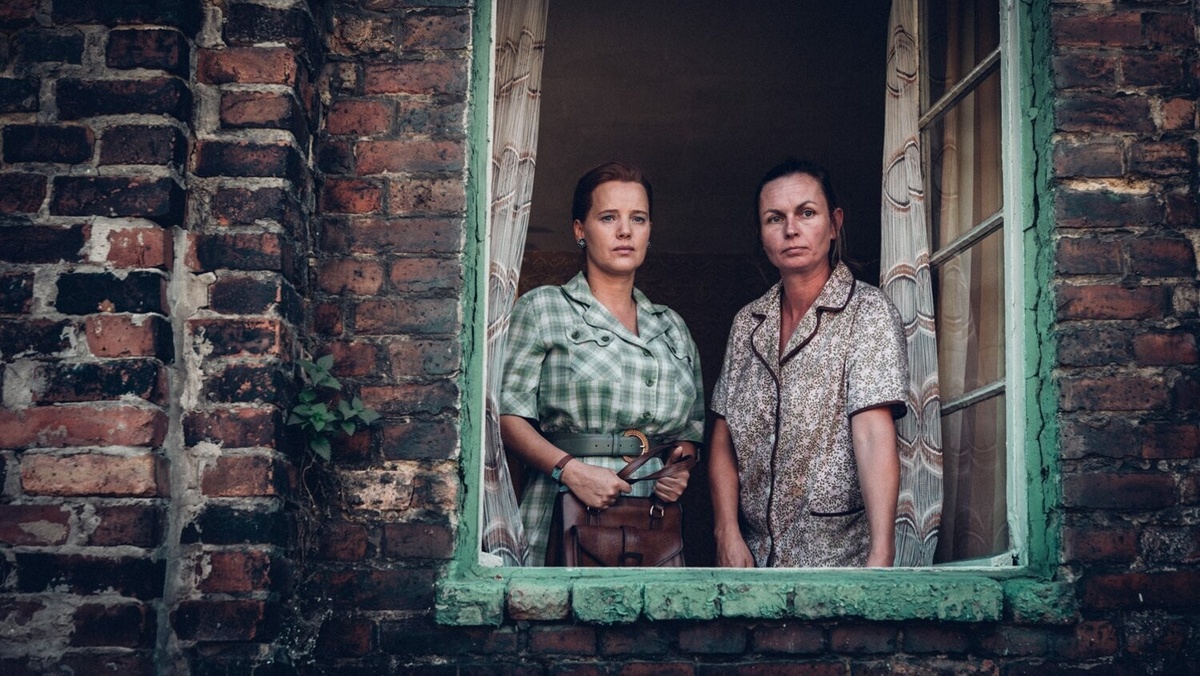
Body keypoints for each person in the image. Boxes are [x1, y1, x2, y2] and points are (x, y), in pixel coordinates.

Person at [499, 161, 705, 565]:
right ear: (580, 230)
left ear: (649, 230)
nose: (625, 231)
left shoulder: (673, 327)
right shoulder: (544, 308)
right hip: (563, 504)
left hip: (650, 517)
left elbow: (690, 434)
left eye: (638, 218)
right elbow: (507, 417)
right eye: (608, 217)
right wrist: (570, 471)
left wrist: (679, 468)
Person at [709, 158, 908, 568]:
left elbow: (873, 434)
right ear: (761, 234)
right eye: (774, 218)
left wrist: (881, 555)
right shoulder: (748, 323)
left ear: (834, 224)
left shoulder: (867, 312)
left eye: (806, 213)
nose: (791, 229)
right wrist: (726, 530)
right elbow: (724, 438)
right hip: (755, 562)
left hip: (838, 562)